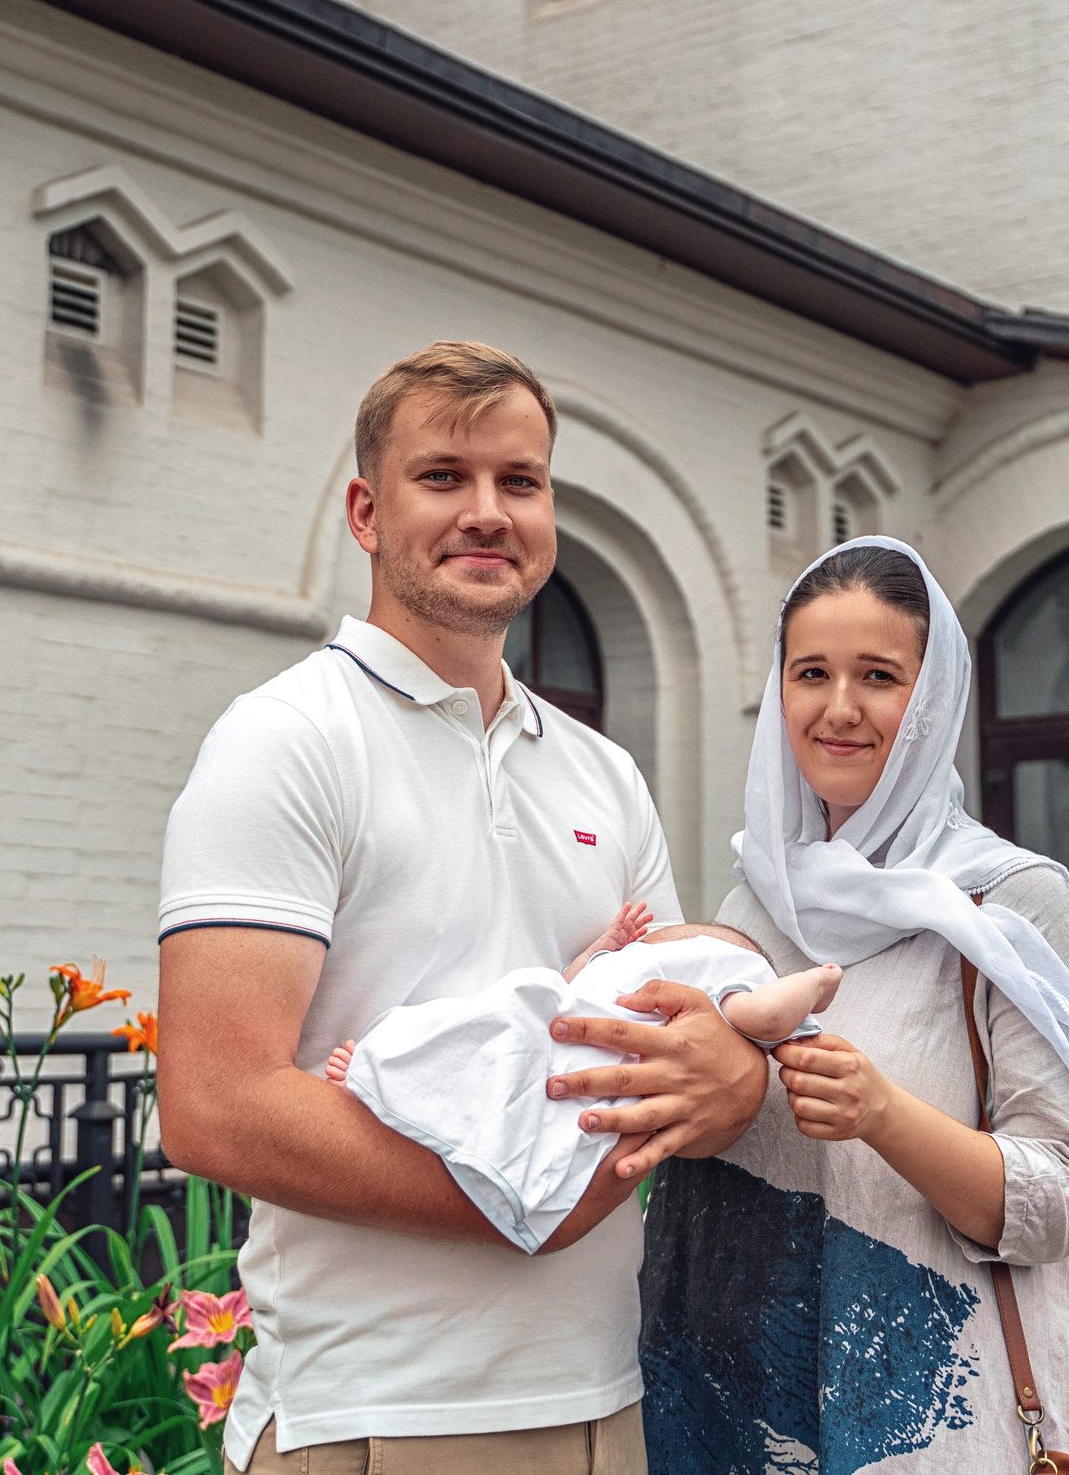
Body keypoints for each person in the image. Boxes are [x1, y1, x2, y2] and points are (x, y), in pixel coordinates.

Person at [154, 341, 770, 1475]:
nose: (486, 512)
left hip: (608, 1400)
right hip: (376, 1414)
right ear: (366, 510)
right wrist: (531, 1200)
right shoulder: (285, 740)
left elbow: (671, 1055)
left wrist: (732, 1085)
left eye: (518, 482)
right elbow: (214, 1103)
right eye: (442, 477)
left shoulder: (603, 773)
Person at [631, 538, 1069, 1471]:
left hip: (935, 1432)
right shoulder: (752, 907)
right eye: (811, 672)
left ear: (932, 701)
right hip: (731, 1428)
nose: (840, 709)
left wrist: (886, 1116)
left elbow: (1067, 1199)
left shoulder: (1010, 909)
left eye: (880, 676)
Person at [321, 905, 841, 1252]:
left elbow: (767, 1019)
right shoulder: (627, 962)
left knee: (507, 1061)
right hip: (556, 1017)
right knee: (503, 1018)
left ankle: (385, 1071)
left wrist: (811, 985)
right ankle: (385, 1069)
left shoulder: (729, 980)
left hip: (584, 1057)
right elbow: (573, 982)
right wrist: (605, 946)